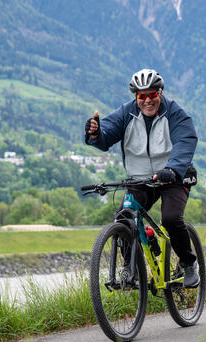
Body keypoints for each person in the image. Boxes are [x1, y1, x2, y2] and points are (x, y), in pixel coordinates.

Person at [85, 68, 200, 287]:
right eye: (141, 96)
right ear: (135, 96)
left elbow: (186, 141)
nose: (147, 100)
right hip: (140, 179)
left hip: (173, 176)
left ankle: (188, 264)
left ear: (160, 93)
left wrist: (173, 169)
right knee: (124, 216)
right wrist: (96, 134)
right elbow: (107, 132)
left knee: (171, 219)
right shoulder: (126, 113)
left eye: (152, 95)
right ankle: (130, 267)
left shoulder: (175, 114)